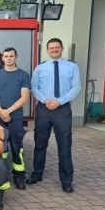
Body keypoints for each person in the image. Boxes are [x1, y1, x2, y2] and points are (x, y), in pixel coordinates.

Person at [26, 38, 81, 193]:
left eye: (57, 47)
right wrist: (45, 100)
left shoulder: (72, 67)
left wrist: (60, 101)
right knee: (40, 143)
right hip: (44, 108)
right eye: (51, 48)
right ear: (47, 50)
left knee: (64, 145)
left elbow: (76, 87)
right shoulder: (40, 67)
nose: (54, 50)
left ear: (62, 48)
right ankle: (37, 174)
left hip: (62, 109)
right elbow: (34, 87)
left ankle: (66, 180)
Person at [0, 47, 31, 189]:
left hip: (16, 116)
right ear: (2, 58)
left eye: (11, 56)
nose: (8, 59)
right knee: (1, 146)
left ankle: (19, 176)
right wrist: (0, 111)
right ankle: (2, 174)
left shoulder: (23, 75)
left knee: (16, 146)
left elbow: (24, 97)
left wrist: (8, 111)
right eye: (6, 56)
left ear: (16, 57)